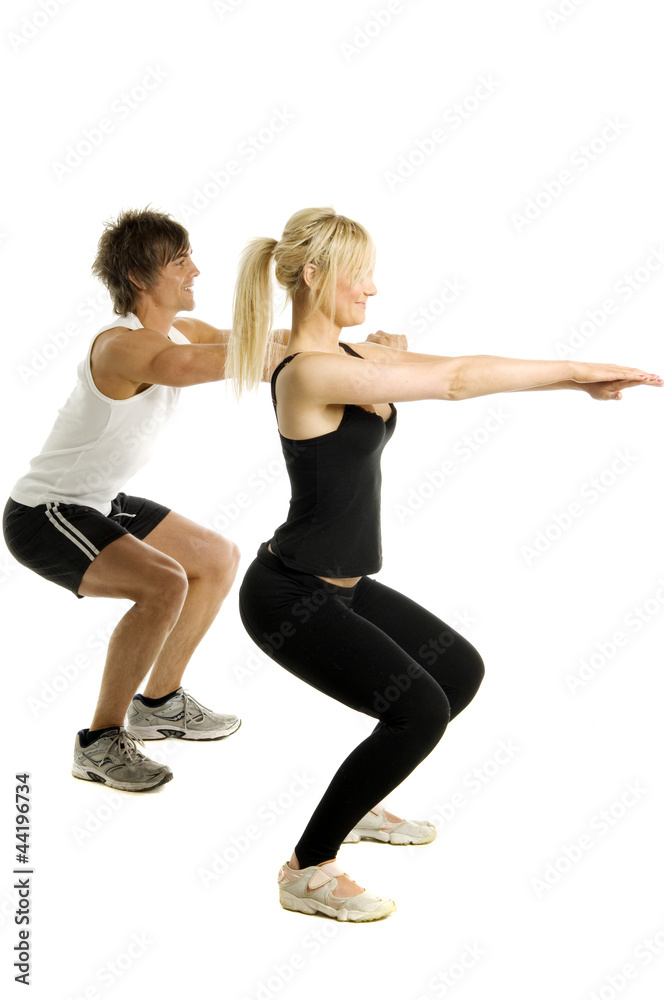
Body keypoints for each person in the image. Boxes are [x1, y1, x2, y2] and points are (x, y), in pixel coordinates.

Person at [228, 206, 662, 921]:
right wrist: (579, 362)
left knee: (458, 672)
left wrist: (572, 387)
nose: (371, 290)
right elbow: (457, 380)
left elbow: (450, 368)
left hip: (345, 584)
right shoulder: (308, 372)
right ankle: (307, 868)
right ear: (314, 276)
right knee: (418, 709)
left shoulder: (352, 359)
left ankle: (360, 802)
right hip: (287, 595)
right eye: (358, 277)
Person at [3, 207, 401, 793]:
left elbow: (259, 340)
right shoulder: (121, 348)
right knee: (164, 582)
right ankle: (101, 741)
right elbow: (193, 366)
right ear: (141, 278)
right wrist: (326, 362)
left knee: (215, 558)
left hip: (100, 501)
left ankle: (159, 702)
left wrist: (354, 347)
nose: (196, 269)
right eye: (180, 260)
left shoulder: (176, 331)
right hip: (46, 513)